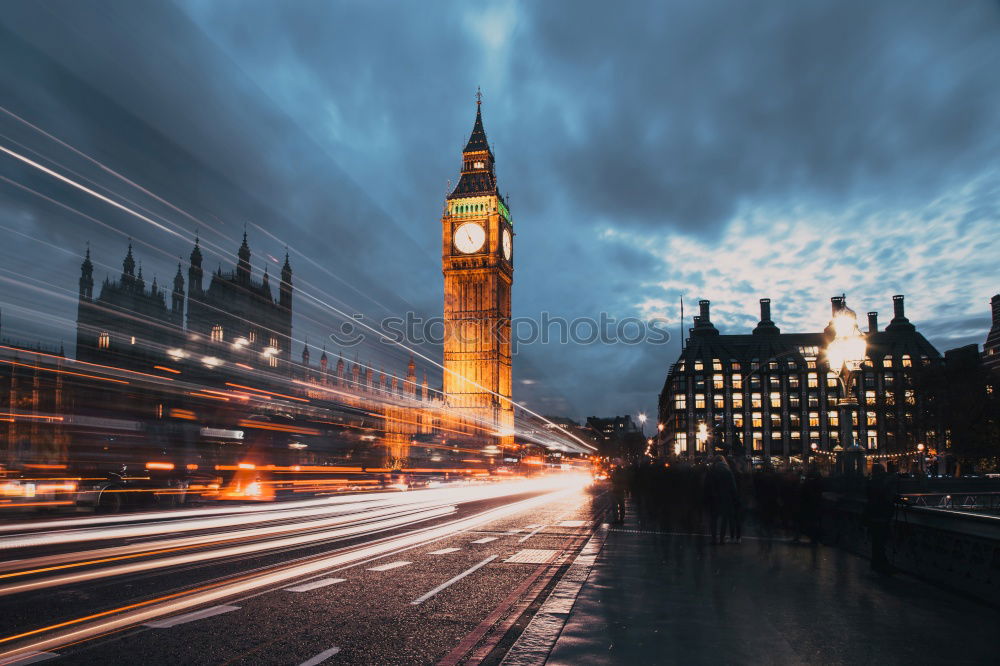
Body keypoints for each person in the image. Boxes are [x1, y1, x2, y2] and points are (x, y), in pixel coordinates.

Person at [865, 463, 897, 574]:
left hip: (873, 515)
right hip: (882, 515)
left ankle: (876, 563)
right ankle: (881, 564)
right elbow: (885, 495)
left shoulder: (871, 482)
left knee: (877, 541)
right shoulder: (881, 483)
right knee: (880, 541)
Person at [704, 455, 737, 544]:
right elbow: (733, 487)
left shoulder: (711, 471)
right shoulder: (728, 471)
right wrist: (734, 498)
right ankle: (722, 539)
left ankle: (714, 538)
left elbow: (706, 485)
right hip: (725, 498)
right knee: (724, 519)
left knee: (714, 519)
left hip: (714, 498)